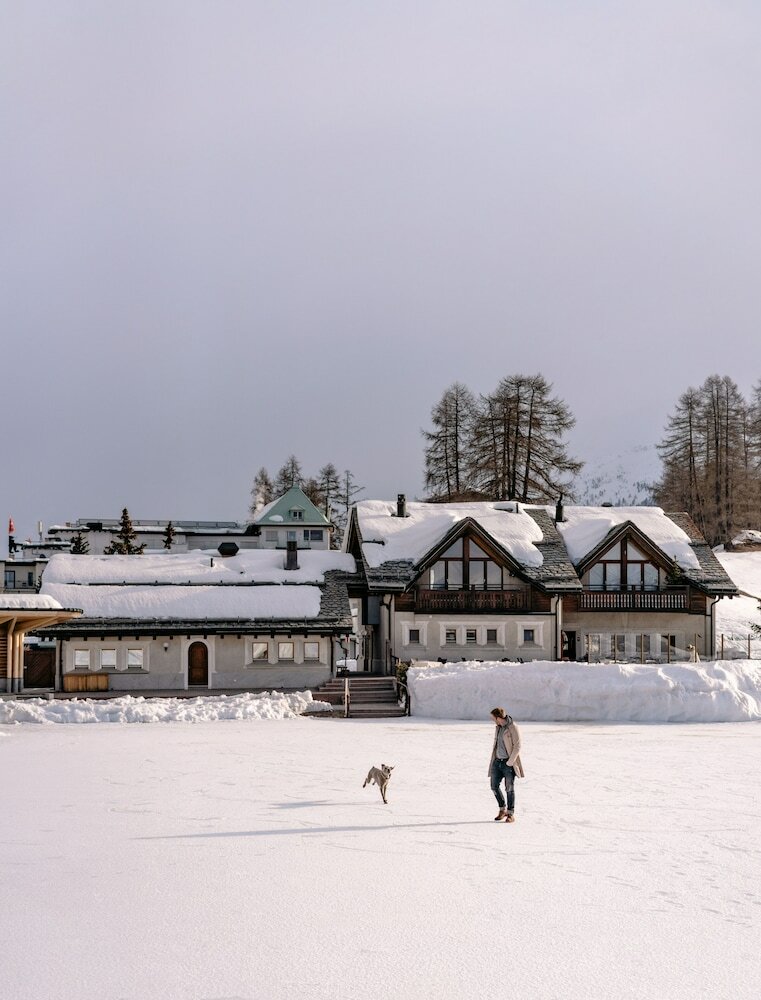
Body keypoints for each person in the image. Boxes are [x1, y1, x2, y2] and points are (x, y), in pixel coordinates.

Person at [488, 707, 524, 822]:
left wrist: (510, 762)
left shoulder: (513, 727)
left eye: (493, 718)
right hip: (497, 761)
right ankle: (502, 809)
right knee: (494, 786)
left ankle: (510, 814)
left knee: (509, 788)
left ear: (498, 717)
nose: (492, 720)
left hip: (508, 763)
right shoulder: (498, 728)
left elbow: (517, 746)